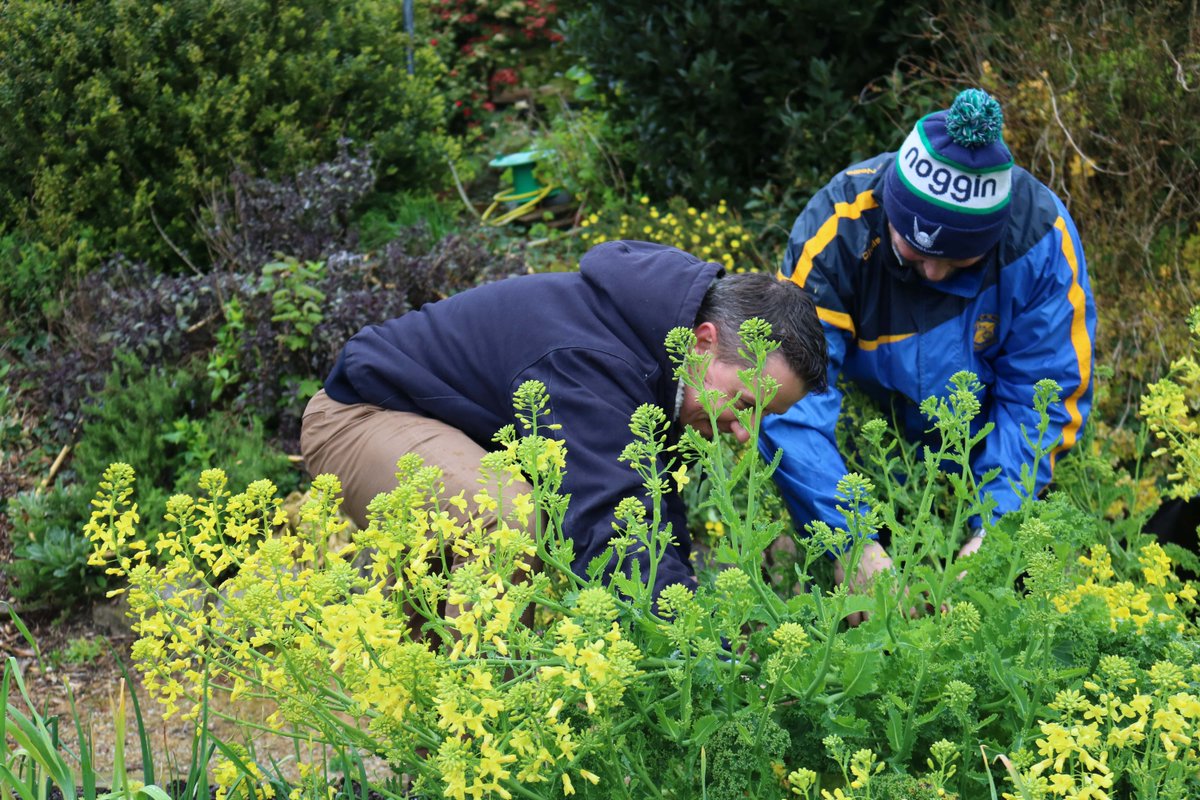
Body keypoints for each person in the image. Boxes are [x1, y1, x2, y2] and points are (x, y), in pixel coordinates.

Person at [301, 239, 828, 599]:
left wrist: (689, 610)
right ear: (704, 342)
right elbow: (613, 525)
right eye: (744, 403)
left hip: (445, 432)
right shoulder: (594, 361)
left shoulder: (666, 368)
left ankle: (433, 739)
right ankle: (481, 746)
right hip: (360, 416)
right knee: (508, 523)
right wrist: (692, 647)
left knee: (526, 568)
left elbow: (653, 519)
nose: (744, 431)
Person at [762, 88, 1097, 596]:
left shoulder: (1040, 239)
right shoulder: (840, 227)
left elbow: (1040, 402)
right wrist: (850, 539)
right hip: (865, 444)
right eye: (914, 251)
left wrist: (993, 534)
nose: (935, 270)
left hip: (984, 447)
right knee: (801, 563)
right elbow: (790, 396)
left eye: (960, 259)